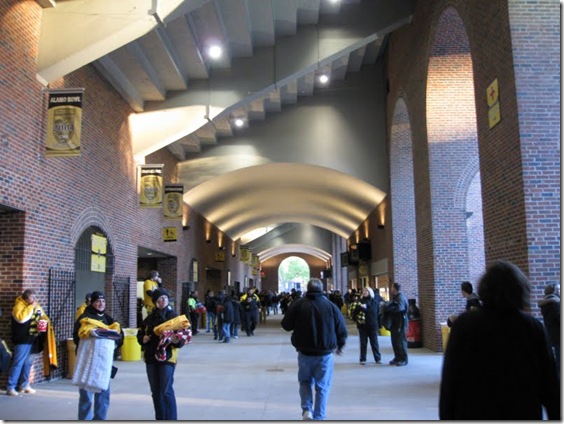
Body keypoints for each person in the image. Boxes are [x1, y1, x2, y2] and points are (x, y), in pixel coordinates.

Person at [439, 260, 560, 420]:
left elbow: (451, 377)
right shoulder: (532, 327)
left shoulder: (465, 324)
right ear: (520, 289)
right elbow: (550, 384)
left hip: (473, 411)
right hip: (521, 411)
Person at [281, 278, 348, 421]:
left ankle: (307, 409)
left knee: (305, 382)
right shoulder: (330, 306)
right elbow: (341, 328)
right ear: (321, 289)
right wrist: (340, 345)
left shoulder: (298, 305)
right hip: (325, 353)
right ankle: (319, 417)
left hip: (304, 352)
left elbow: (286, 325)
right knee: (322, 386)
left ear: (307, 288)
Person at [137, 288, 191, 420]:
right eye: (160, 299)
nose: (163, 300)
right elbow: (141, 332)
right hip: (151, 357)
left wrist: (175, 340)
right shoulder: (149, 318)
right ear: (155, 302)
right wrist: (142, 339)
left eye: (165, 298)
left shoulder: (174, 317)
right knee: (155, 392)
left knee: (166, 391)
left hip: (168, 357)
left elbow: (183, 336)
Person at [73, 291, 124, 420]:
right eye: (97, 301)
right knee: (86, 395)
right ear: (92, 303)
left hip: (103, 364)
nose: (101, 304)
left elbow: (119, 336)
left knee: (103, 395)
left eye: (103, 301)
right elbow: (77, 337)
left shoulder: (108, 319)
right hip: (88, 362)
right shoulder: (85, 318)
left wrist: (114, 344)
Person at [6, 289, 48, 396]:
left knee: (28, 363)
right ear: (26, 298)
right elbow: (22, 319)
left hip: (33, 338)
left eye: (35, 297)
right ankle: (11, 387)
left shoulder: (35, 305)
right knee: (18, 363)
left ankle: (24, 385)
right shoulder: (18, 306)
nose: (34, 300)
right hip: (22, 339)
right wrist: (31, 307)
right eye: (32, 297)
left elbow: (42, 315)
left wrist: (43, 320)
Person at [352, 287, 382, 365]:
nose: (364, 292)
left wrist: (379, 325)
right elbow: (354, 313)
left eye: (366, 291)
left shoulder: (374, 302)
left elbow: (377, 313)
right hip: (362, 326)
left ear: (370, 292)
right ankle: (363, 359)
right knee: (363, 343)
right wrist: (360, 308)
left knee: (374, 342)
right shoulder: (359, 302)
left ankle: (377, 358)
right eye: (363, 291)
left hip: (373, 325)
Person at [538, 283, 560, 377]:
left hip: (553, 334)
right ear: (554, 291)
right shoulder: (555, 303)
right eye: (559, 289)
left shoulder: (546, 304)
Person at [385, 283, 408, 366]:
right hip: (395, 323)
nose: (391, 289)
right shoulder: (396, 297)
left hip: (400, 324)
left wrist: (389, 308)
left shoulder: (400, 297)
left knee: (400, 342)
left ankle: (403, 359)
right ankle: (397, 357)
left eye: (391, 287)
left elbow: (400, 308)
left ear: (394, 288)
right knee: (394, 341)